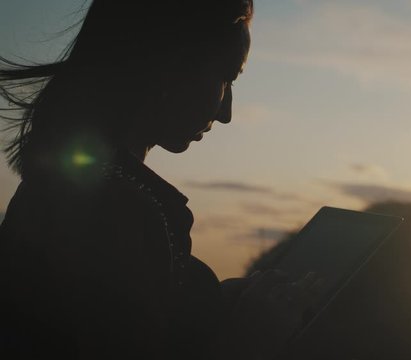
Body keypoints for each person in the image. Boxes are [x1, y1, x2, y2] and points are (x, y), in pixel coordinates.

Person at [0, 1, 314, 359]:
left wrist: (201, 300)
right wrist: (252, 337)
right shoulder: (116, 211)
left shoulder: (64, 187)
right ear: (171, 67)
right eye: (226, 78)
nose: (225, 113)